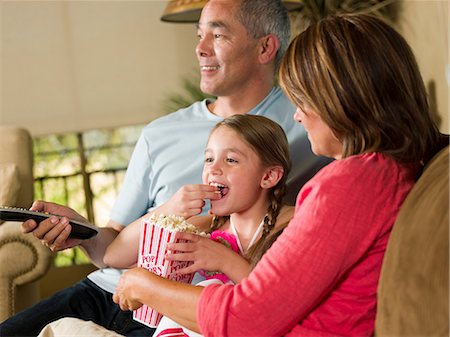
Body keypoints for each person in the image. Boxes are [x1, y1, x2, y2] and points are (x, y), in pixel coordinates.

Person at [0, 1, 328, 336]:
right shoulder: (160, 133)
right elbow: (111, 250)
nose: (200, 49)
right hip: (107, 290)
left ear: (265, 47)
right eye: (199, 35)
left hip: (185, 308)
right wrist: (81, 231)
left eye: (217, 35)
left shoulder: (311, 122)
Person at [110, 13, 448, 337]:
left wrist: (143, 285)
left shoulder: (351, 183)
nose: (298, 115)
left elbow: (244, 319)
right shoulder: (391, 170)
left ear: (342, 99)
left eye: (303, 100)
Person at [105, 114, 294, 337]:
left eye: (231, 160)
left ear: (269, 176)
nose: (213, 170)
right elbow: (113, 256)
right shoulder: (204, 228)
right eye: (209, 159)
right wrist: (168, 209)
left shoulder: (295, 225)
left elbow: (277, 305)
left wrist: (224, 259)